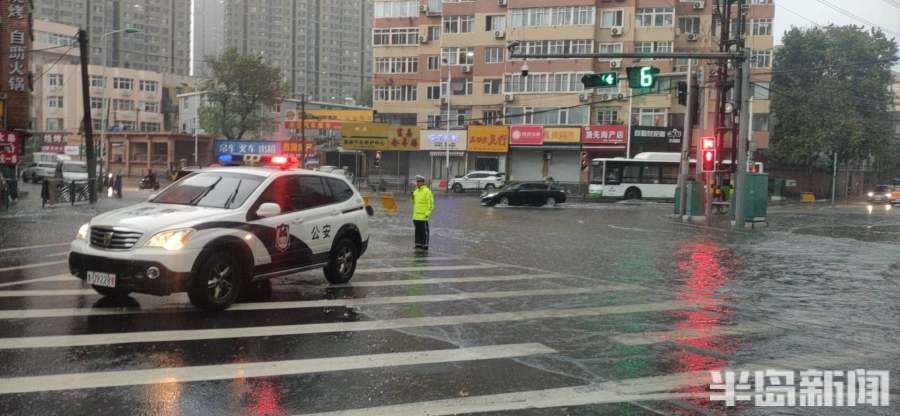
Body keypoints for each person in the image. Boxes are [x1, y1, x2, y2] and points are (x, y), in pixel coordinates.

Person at [411, 175, 434, 250]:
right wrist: (412, 198)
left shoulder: (427, 191)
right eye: (417, 181)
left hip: (423, 216)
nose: (417, 183)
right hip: (416, 216)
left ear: (423, 182)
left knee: (424, 231)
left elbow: (430, 204)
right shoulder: (415, 191)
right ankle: (418, 244)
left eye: (419, 181)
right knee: (417, 231)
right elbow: (414, 203)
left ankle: (425, 244)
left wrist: (427, 214)